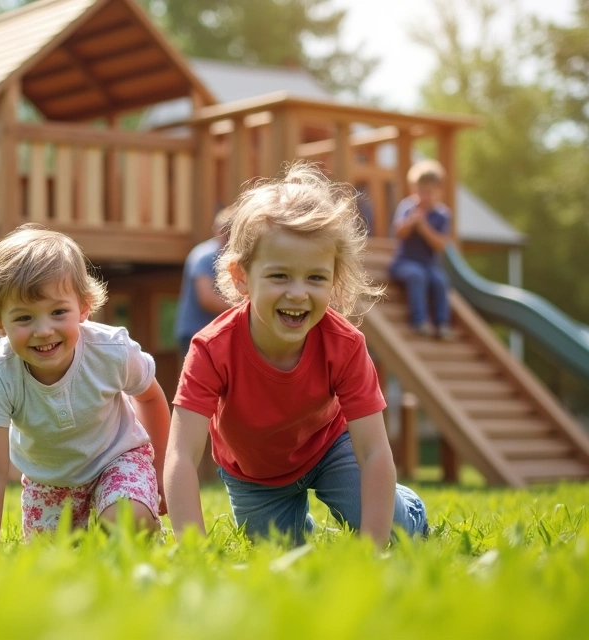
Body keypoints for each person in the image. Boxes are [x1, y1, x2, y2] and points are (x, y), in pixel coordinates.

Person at [165, 163, 428, 548]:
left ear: (334, 279)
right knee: (280, 551)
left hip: (330, 447)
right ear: (241, 277)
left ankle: (410, 510)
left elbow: (373, 451)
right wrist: (192, 550)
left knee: (395, 532)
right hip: (254, 474)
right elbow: (182, 456)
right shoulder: (211, 349)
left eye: (316, 278)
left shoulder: (346, 344)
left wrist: (376, 551)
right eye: (280, 276)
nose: (298, 293)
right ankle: (307, 529)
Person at [0, 225, 171, 541]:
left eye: (58, 312)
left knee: (125, 519)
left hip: (116, 460)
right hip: (48, 481)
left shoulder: (112, 351)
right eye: (24, 318)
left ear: (84, 307)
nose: (44, 330)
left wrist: (161, 474)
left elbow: (149, 398)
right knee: (53, 558)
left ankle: (135, 526)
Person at [389, 160, 454, 339]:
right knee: (417, 275)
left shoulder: (442, 215)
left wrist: (424, 226)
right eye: (420, 191)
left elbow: (440, 244)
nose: (424, 196)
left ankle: (442, 324)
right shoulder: (407, 207)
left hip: (430, 265)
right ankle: (419, 321)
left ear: (439, 192)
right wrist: (411, 223)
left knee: (440, 280)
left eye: (429, 192)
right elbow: (398, 232)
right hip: (404, 262)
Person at [175, 209, 233, 362]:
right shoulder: (204, 257)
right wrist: (247, 309)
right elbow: (207, 299)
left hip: (217, 334)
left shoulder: (230, 256)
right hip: (195, 332)